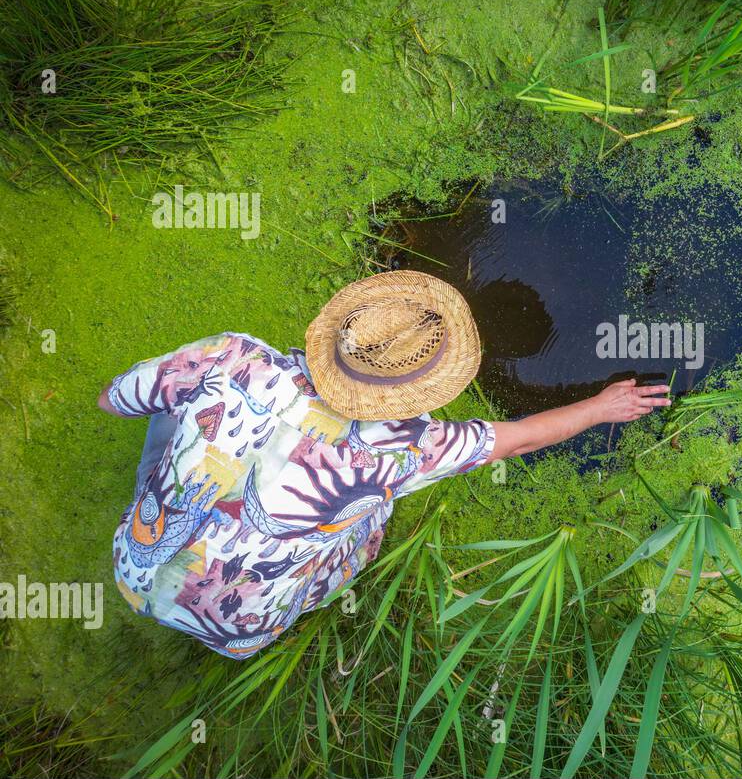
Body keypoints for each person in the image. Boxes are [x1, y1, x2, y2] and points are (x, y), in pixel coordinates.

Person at [98, 270, 670, 658]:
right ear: (420, 390)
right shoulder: (403, 448)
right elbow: (516, 439)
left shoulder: (232, 355)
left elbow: (116, 397)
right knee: (369, 519)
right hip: (234, 623)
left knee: (180, 411)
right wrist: (601, 407)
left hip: (133, 563)